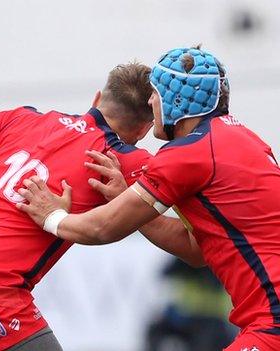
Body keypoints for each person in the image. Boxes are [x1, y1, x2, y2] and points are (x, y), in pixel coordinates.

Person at [18, 47, 280, 350]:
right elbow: (197, 250)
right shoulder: (244, 139)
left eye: (155, 93)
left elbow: (102, 228)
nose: (151, 101)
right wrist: (126, 200)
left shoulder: (188, 155)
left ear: (175, 99)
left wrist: (52, 216)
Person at [0, 62, 159, 350]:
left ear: (97, 99)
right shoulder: (123, 160)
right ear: (144, 129)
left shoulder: (28, 120)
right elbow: (173, 236)